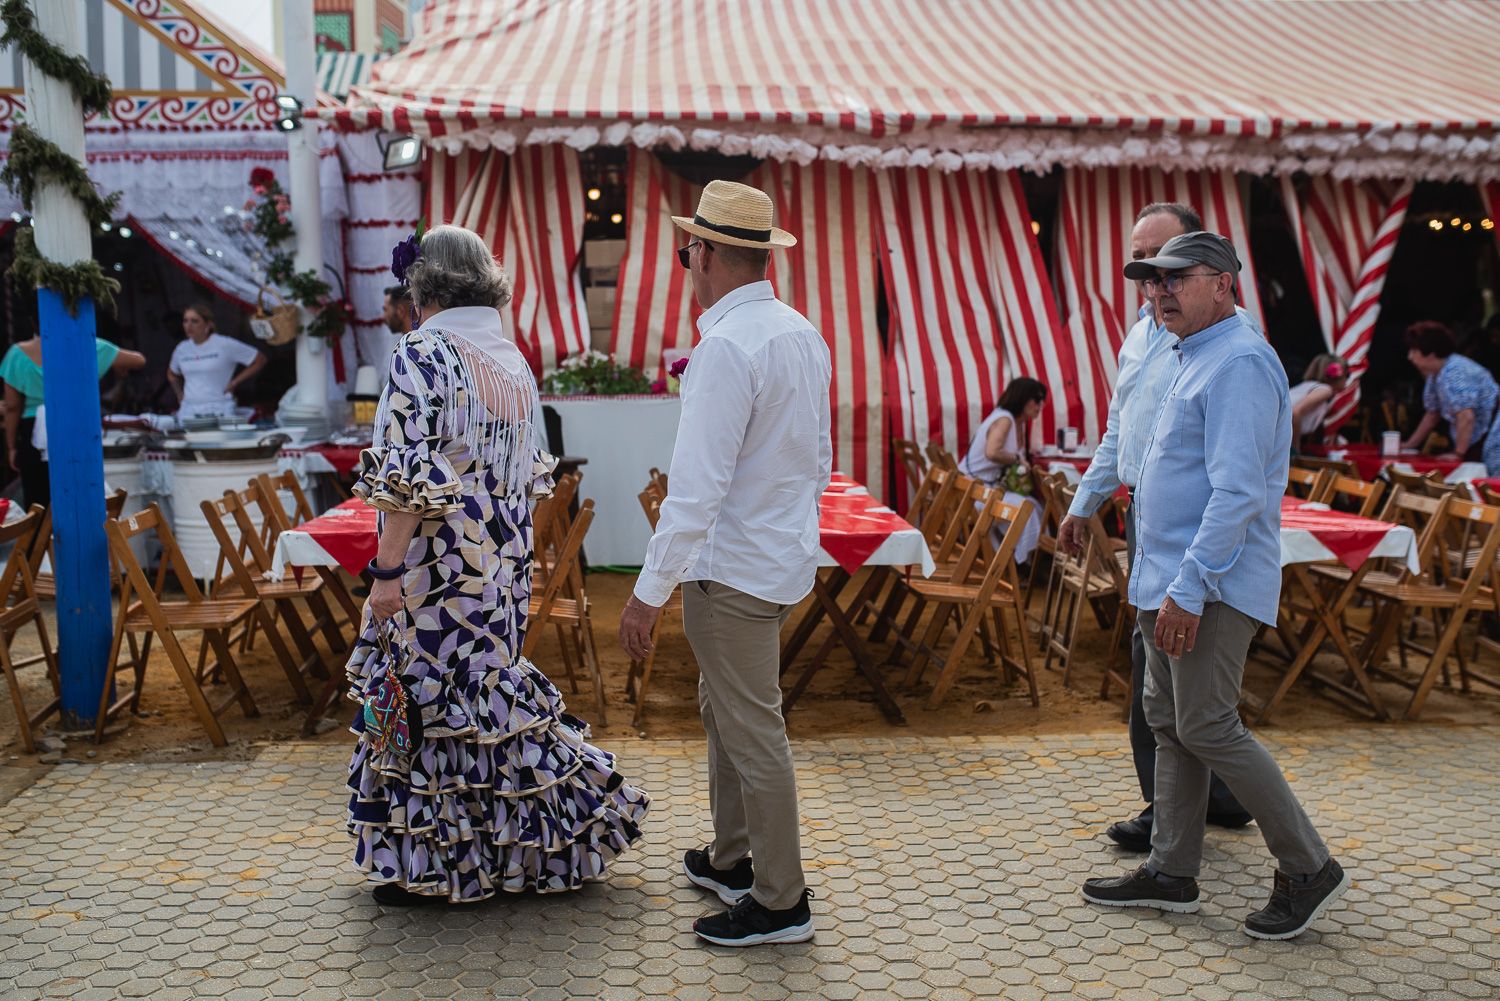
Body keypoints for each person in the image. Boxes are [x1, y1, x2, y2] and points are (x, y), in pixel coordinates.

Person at [345, 225, 648, 906]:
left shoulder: (420, 353)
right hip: (499, 567)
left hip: (437, 568)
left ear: (422, 287)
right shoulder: (510, 358)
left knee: (425, 701)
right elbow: (520, 476)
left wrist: (386, 574)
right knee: (483, 698)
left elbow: (402, 477)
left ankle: (434, 863)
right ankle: (524, 848)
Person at [1082, 231, 1348, 941]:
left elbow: (1235, 495)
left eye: (1178, 278)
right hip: (1166, 576)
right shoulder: (1187, 353)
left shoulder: (1239, 362)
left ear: (1226, 283)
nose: (1161, 290)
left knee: (1206, 724)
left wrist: (1190, 586)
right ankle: (1172, 869)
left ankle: (1308, 863)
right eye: (1152, 280)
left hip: (1208, 582)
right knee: (1171, 724)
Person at [618, 179, 829, 947]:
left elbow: (695, 490)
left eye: (687, 252)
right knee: (731, 713)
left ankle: (780, 898)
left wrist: (645, 593)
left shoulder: (727, 348)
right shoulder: (801, 334)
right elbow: (817, 459)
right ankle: (736, 857)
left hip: (734, 566)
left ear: (704, 254)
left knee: (750, 725)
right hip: (772, 560)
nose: (688, 263)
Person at [1058, 203, 1250, 855]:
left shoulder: (1218, 340)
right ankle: (1207, 800)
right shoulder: (1140, 334)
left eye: (1166, 262)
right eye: (1141, 261)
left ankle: (1171, 815)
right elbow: (1122, 427)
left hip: (1194, 523)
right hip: (1145, 513)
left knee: (1172, 673)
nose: (1152, 277)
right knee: (1156, 668)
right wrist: (1085, 501)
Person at [1, 328, 146, 508]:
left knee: (38, 501)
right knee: (80, 494)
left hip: (33, 431)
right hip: (76, 425)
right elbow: (138, 360)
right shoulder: (85, 345)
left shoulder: (17, 353)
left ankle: (42, 536)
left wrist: (12, 446)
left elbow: (12, 407)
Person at [957, 377, 1047, 564]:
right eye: (1037, 400)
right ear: (1023, 399)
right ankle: (1022, 563)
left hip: (975, 487)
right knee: (1028, 509)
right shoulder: (1005, 419)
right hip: (975, 492)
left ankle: (1023, 559)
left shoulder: (1010, 419)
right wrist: (1017, 459)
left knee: (1034, 505)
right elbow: (992, 452)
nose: (1040, 405)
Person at [1401, 321, 1500, 473]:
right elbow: (1432, 414)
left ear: (1431, 354)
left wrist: (1458, 453)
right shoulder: (1435, 375)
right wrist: (1410, 445)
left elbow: (1466, 416)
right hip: (1479, 437)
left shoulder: (1455, 372)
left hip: (1494, 434)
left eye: (1414, 351)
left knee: (1492, 483)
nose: (1410, 357)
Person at [167, 303, 266, 419]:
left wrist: (235, 382)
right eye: (185, 321)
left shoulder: (224, 344)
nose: (189, 325)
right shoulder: (182, 348)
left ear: (208, 325)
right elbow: (171, 373)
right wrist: (179, 395)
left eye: (194, 321)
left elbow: (260, 359)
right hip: (189, 409)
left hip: (219, 407)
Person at [1287, 354, 1349, 449]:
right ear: (1338, 376)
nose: (1347, 380)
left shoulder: (1308, 386)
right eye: (1347, 375)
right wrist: (1294, 449)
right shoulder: (1325, 390)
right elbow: (1294, 413)